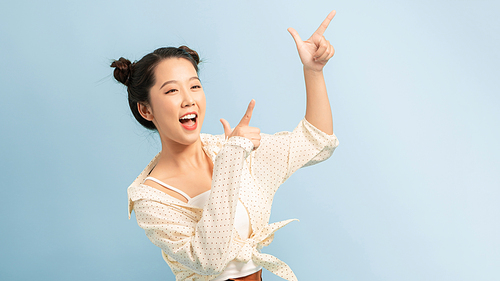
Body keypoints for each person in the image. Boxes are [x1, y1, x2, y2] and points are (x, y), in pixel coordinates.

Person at [111, 10, 339, 281]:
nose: (188, 100)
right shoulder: (150, 199)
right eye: (172, 91)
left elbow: (316, 143)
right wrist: (231, 160)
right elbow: (209, 260)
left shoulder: (229, 148)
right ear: (146, 110)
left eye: (194, 86)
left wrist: (313, 71)